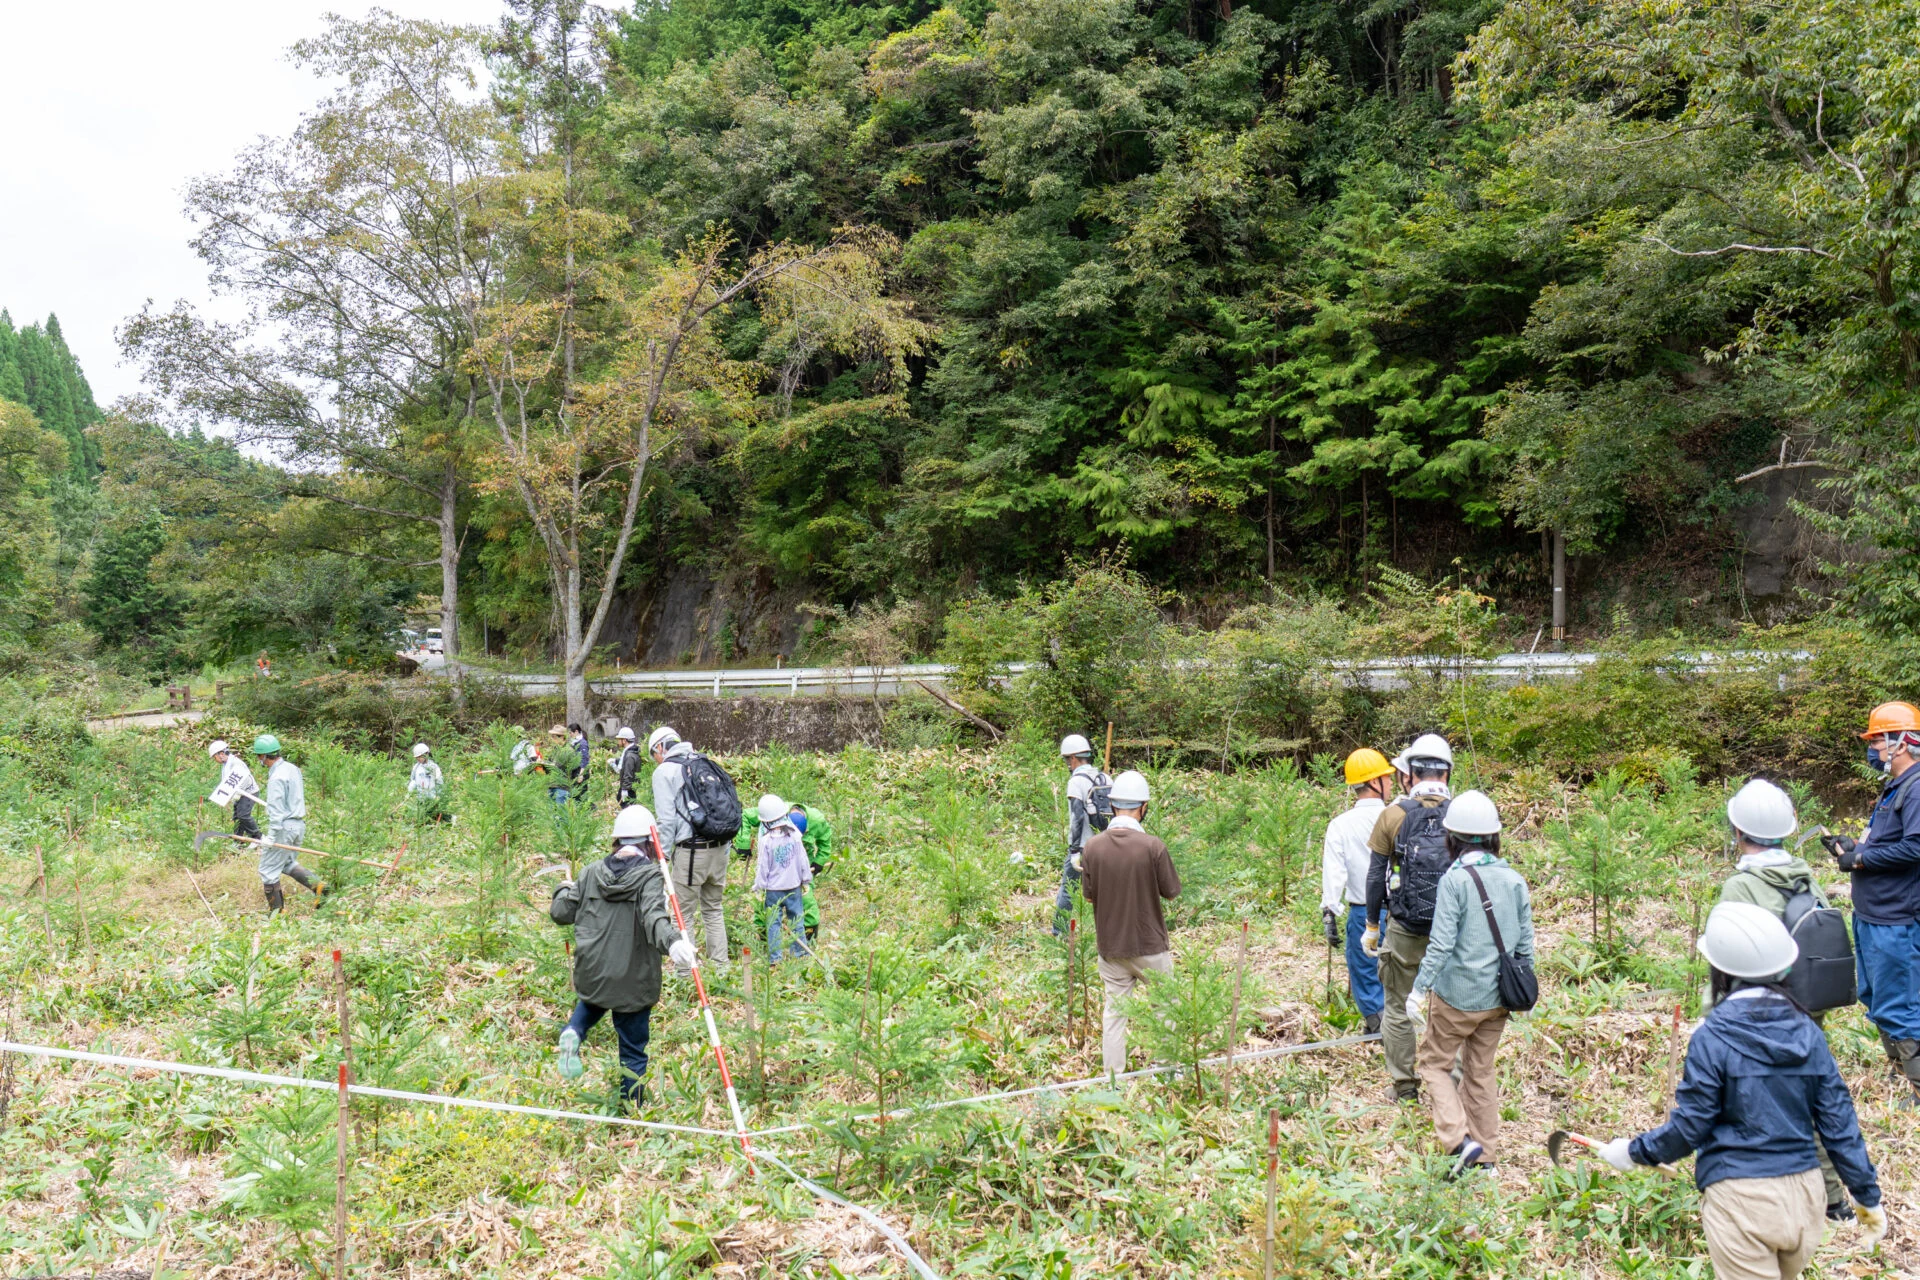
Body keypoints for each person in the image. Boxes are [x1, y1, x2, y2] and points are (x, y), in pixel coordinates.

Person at [1592, 903, 1886, 1277]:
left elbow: (1691, 1127)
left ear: (1721, 969)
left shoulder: (1713, 1037)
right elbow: (1838, 1122)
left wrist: (1634, 1152)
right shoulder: (1808, 1033)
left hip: (1742, 1198)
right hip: (1805, 1199)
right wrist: (1867, 1197)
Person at [1718, 778, 1853, 1219]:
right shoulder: (1803, 876)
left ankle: (1783, 1197)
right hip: (1806, 1004)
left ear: (1738, 832)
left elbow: (1726, 962)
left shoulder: (1740, 887)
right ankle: (1835, 1200)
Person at [1405, 790, 1532, 1177]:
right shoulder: (1513, 879)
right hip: (1499, 998)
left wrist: (1419, 988)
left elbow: (1442, 943)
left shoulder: (1454, 881)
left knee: (1432, 1064)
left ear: (1452, 837)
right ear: (1493, 836)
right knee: (1481, 1071)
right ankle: (1487, 1159)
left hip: (1458, 997)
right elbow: (1525, 943)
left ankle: (1459, 1141)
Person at [549, 804, 698, 1107]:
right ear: (649, 843)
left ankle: (573, 1032)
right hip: (632, 976)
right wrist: (673, 943)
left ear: (617, 841)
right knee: (632, 1048)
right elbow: (655, 917)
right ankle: (632, 1106)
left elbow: (561, 912)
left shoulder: (591, 872)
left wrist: (563, 889)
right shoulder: (650, 876)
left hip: (593, 971)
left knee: (593, 1000)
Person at [1825, 701, 1920, 1108]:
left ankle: (1917, 1091)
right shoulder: (1893, 788)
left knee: (1900, 1002)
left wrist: (1860, 859)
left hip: (1896, 918)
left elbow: (1915, 847)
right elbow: (1889, 844)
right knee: (1874, 995)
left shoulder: (1917, 788)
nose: (1873, 748)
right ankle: (1900, 1075)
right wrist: (1853, 847)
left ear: (1901, 743)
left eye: (1878, 740)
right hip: (1871, 913)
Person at [1363, 733, 1455, 1102]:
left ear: (1409, 774)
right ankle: (1451, 1085)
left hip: (1404, 926)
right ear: (1446, 773)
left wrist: (1372, 925)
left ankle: (1403, 1087)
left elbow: (1375, 876)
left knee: (1398, 1004)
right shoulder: (1463, 815)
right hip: (1453, 929)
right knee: (1452, 1006)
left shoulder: (1393, 815)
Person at [1080, 770, 1182, 1077]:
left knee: (1114, 1013)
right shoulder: (1153, 846)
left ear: (1112, 806)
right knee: (1166, 1005)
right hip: (1149, 946)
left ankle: (1114, 1078)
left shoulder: (1093, 847)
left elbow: (1087, 895)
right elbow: (1172, 892)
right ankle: (1167, 1070)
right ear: (1143, 807)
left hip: (1111, 948)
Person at [1321, 748, 1393, 1034]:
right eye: (1386, 778)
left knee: (1364, 971)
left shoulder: (1340, 825)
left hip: (1362, 912)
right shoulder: (1398, 816)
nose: (1391, 783)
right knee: (1399, 972)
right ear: (1375, 782)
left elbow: (1334, 874)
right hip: (1400, 911)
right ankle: (1395, 1026)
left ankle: (1378, 1025)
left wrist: (1330, 911)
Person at [650, 726, 730, 973]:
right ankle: (721, 968)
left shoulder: (665, 771)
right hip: (720, 846)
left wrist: (660, 856)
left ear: (660, 748)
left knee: (682, 915)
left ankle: (686, 973)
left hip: (691, 851)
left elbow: (666, 820)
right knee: (713, 909)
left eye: (654, 755)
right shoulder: (704, 762)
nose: (656, 761)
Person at [736, 797, 836, 941]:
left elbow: (825, 841)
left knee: (806, 899)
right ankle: (765, 939)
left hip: (799, 866)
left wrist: (819, 861)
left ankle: (806, 941)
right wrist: (744, 843)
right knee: (765, 900)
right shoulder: (773, 810)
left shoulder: (817, 820)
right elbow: (745, 815)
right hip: (773, 861)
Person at [252, 735, 323, 915]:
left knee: (267, 869)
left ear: (263, 757)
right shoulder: (292, 768)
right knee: (287, 863)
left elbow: (277, 812)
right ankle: (320, 887)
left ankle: (277, 913)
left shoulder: (276, 778)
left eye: (259, 757)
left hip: (284, 827)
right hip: (298, 825)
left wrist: (271, 838)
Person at [1054, 734, 1113, 936]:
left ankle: (1059, 932)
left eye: (1067, 760)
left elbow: (1077, 818)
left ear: (1072, 759)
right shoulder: (1105, 778)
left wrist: (1074, 851)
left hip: (1084, 847)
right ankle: (1107, 931)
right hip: (1108, 844)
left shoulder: (1076, 782)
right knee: (1105, 891)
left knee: (1068, 890)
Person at [750, 794, 813, 963]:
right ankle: (799, 954)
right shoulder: (795, 835)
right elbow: (803, 860)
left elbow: (763, 867)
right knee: (796, 920)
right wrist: (806, 880)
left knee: (773, 923)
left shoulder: (766, 841)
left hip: (773, 890)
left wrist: (759, 887)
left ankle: (775, 958)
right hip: (793, 886)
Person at [205, 739, 262, 842]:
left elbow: (246, 780)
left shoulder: (236, 763)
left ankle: (258, 837)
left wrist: (237, 794)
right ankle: (238, 841)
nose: (215, 760)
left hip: (249, 793)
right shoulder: (226, 765)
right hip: (239, 795)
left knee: (243, 815)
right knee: (237, 817)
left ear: (221, 754)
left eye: (215, 757)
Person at [407, 742, 450, 823]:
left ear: (426, 754)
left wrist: (439, 796)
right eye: (417, 757)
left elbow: (439, 782)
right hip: (420, 798)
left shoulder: (434, 767)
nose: (418, 759)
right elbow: (413, 780)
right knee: (420, 817)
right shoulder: (416, 768)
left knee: (433, 817)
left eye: (420, 757)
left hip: (432, 798)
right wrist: (409, 792)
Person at [611, 727, 641, 807]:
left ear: (624, 740)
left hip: (629, 788)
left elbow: (628, 772)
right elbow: (624, 763)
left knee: (628, 806)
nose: (618, 741)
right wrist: (615, 761)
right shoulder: (630, 752)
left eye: (619, 739)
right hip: (630, 786)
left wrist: (625, 789)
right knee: (620, 799)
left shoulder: (629, 756)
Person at [545, 725, 574, 805]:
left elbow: (561, 767)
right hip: (552, 785)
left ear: (562, 737)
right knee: (551, 814)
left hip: (562, 787)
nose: (552, 739)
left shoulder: (568, 750)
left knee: (561, 814)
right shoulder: (555, 750)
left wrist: (550, 766)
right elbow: (549, 764)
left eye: (554, 737)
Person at [567, 723, 592, 803]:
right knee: (575, 795)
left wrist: (581, 775)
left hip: (581, 772)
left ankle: (587, 811)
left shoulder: (582, 744)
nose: (569, 735)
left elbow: (584, 760)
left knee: (581, 795)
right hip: (575, 772)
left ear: (576, 732)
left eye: (570, 733)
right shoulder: (574, 742)